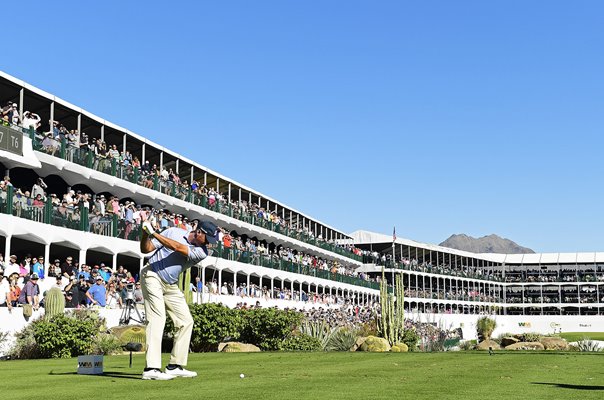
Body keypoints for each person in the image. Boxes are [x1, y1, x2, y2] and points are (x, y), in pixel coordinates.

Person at [139, 218, 218, 380]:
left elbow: (176, 247)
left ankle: (174, 366)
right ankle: (151, 369)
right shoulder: (173, 232)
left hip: (170, 284)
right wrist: (144, 234)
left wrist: (153, 232)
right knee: (157, 318)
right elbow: (146, 249)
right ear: (199, 232)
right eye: (208, 239)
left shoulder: (202, 252)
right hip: (152, 275)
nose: (209, 244)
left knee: (185, 321)